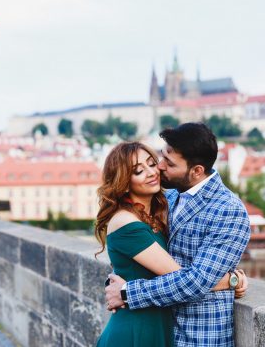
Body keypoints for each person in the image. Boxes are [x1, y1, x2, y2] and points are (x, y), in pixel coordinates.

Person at [105, 123, 251, 347]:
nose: (159, 167)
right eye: (161, 157)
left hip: (200, 335)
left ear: (196, 171)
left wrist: (126, 292)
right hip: (159, 329)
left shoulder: (228, 209)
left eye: (168, 163)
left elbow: (196, 282)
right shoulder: (169, 197)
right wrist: (230, 281)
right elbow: (134, 250)